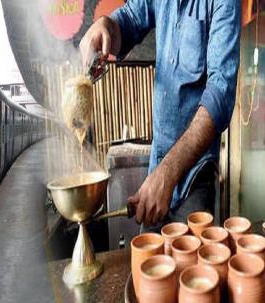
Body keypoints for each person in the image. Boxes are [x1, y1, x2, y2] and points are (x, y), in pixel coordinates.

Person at [80, 0, 240, 231]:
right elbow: (129, 20)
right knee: (148, 259)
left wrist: (168, 174)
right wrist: (106, 25)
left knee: (190, 263)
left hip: (193, 178)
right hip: (157, 167)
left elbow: (220, 95)